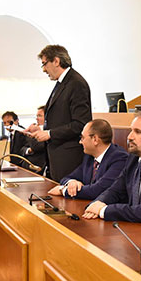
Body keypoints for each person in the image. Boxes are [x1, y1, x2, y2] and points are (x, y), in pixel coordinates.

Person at [26, 45, 92, 182]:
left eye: (44, 64)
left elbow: (80, 124)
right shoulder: (61, 83)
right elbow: (60, 119)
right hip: (56, 157)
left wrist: (49, 134)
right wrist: (41, 130)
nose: (44, 69)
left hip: (69, 158)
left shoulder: (76, 83)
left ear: (56, 61)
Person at [48, 119, 128, 200]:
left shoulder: (120, 158)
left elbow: (97, 191)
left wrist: (63, 190)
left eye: (82, 138)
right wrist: (72, 182)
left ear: (95, 139)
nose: (80, 142)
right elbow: (67, 178)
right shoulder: (89, 157)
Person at [21, 106, 47, 171]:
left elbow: (36, 147)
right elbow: (22, 148)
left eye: (40, 116)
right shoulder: (34, 129)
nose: (37, 118)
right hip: (26, 165)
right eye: (37, 116)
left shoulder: (47, 132)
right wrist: (28, 150)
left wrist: (34, 132)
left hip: (38, 168)